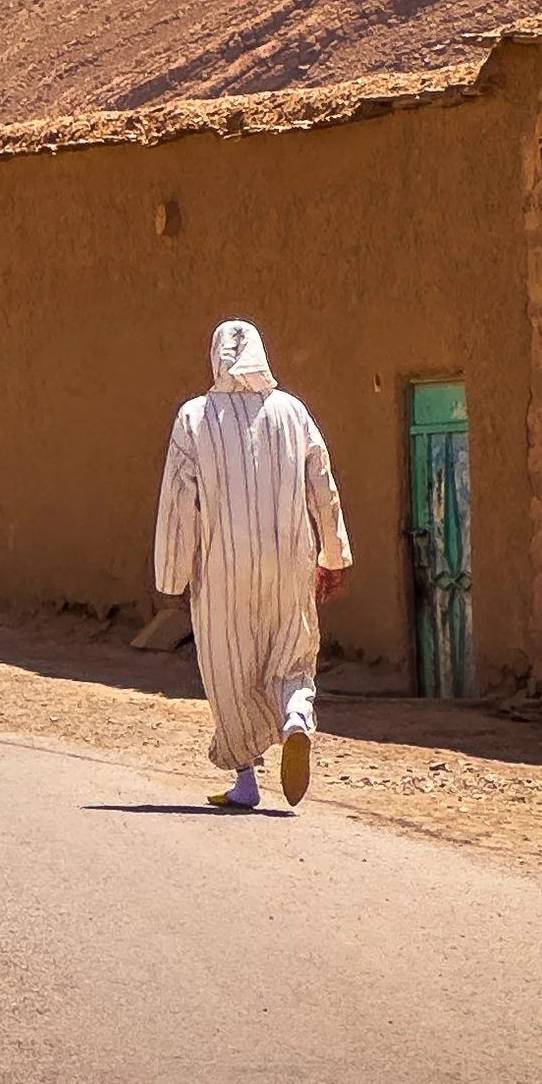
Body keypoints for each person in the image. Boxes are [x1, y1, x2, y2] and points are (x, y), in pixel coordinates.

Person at [152, 318, 352, 811]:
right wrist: (332, 556)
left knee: (230, 668)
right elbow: (322, 486)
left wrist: (173, 573)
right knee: (291, 653)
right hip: (289, 559)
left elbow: (180, 499)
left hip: (222, 566)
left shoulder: (194, 418)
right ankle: (295, 717)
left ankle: (246, 778)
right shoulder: (293, 412)